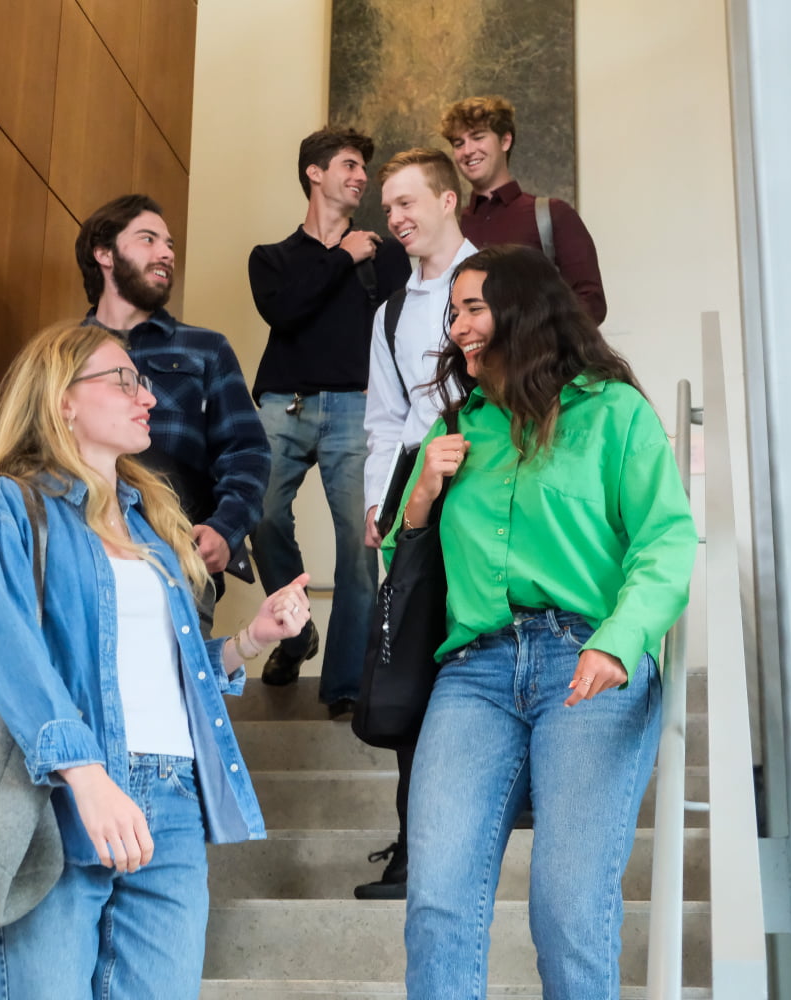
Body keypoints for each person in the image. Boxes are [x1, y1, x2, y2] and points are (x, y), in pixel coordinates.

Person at [0, 323, 312, 999]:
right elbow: (11, 653)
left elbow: (155, 672)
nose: (146, 396)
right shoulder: (10, 505)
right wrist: (88, 778)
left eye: (143, 383)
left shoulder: (151, 522)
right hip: (60, 796)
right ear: (64, 399)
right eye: (123, 380)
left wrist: (251, 640)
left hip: (172, 800)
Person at [391, 246, 696, 998]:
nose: (457, 325)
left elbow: (667, 539)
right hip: (474, 673)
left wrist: (621, 643)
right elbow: (406, 564)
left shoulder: (612, 410)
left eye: (473, 306)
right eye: (452, 310)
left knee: (567, 905)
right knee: (436, 902)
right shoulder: (457, 429)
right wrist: (422, 494)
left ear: (523, 309)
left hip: (586, 662)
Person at [246, 126, 410, 719]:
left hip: (355, 411)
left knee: (359, 545)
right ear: (314, 173)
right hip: (280, 404)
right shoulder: (272, 259)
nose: (361, 176)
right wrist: (343, 256)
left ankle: (345, 686)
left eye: (364, 167)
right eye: (348, 164)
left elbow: (402, 330)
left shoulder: (386, 256)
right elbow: (285, 312)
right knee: (258, 515)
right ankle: (297, 630)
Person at [353, 147, 477, 901]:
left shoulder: (495, 282)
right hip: (412, 492)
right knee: (408, 666)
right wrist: (379, 503)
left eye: (408, 203)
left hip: (483, 478)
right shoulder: (390, 310)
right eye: (388, 208)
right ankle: (413, 846)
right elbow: (386, 418)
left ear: (447, 200)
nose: (395, 218)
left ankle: (467, 835)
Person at [76, 194, 270, 626]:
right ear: (104, 253)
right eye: (148, 239)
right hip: (79, 563)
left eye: (170, 244)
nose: (166, 253)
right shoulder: (62, 356)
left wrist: (226, 527)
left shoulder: (206, 349)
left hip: (176, 563)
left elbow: (248, 452)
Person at [439, 95, 608, 323]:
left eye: (478, 137)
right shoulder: (454, 226)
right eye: (458, 143)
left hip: (539, 357)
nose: (467, 150)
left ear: (505, 141)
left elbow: (591, 301)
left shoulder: (552, 214)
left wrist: (540, 342)